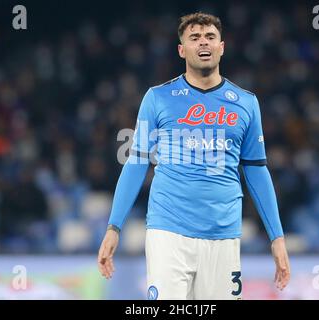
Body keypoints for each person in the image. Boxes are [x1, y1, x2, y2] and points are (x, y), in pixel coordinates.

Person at [98, 12, 290, 300]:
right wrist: (114, 227)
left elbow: (256, 170)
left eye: (210, 37)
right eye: (195, 37)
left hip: (224, 234)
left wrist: (277, 237)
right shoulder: (157, 98)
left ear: (221, 47)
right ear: (182, 49)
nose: (204, 42)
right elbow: (137, 161)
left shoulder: (247, 104)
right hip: (168, 232)